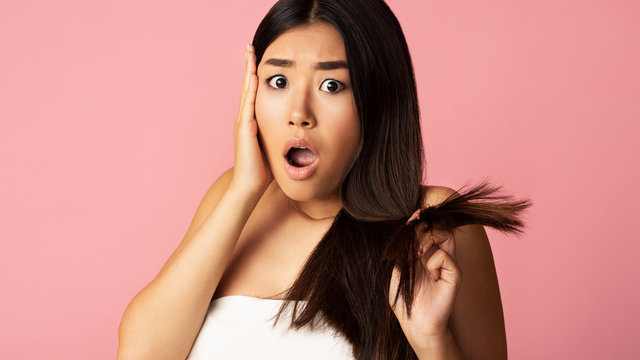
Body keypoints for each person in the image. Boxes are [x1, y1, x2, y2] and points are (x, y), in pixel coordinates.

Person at [117, 0, 531, 359]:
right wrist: (243, 189)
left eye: (332, 85)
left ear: (378, 102)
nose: (299, 111)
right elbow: (140, 354)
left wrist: (430, 341)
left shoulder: (433, 226)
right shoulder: (233, 199)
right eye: (279, 81)